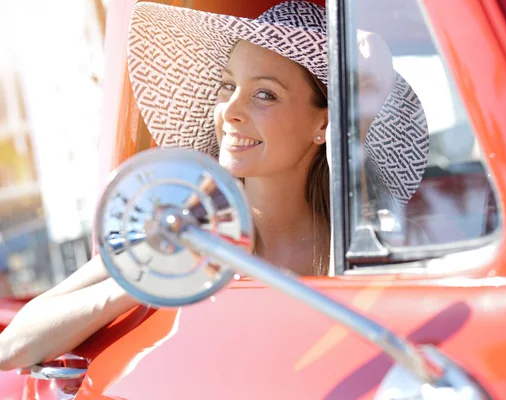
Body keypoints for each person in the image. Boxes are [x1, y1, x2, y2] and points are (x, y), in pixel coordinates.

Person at [0, 0, 428, 371]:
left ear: (323, 122)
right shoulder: (181, 226)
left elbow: (364, 342)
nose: (230, 111)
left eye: (265, 95)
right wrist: (148, 275)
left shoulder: (360, 239)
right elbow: (13, 346)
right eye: (228, 86)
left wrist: (349, 141)